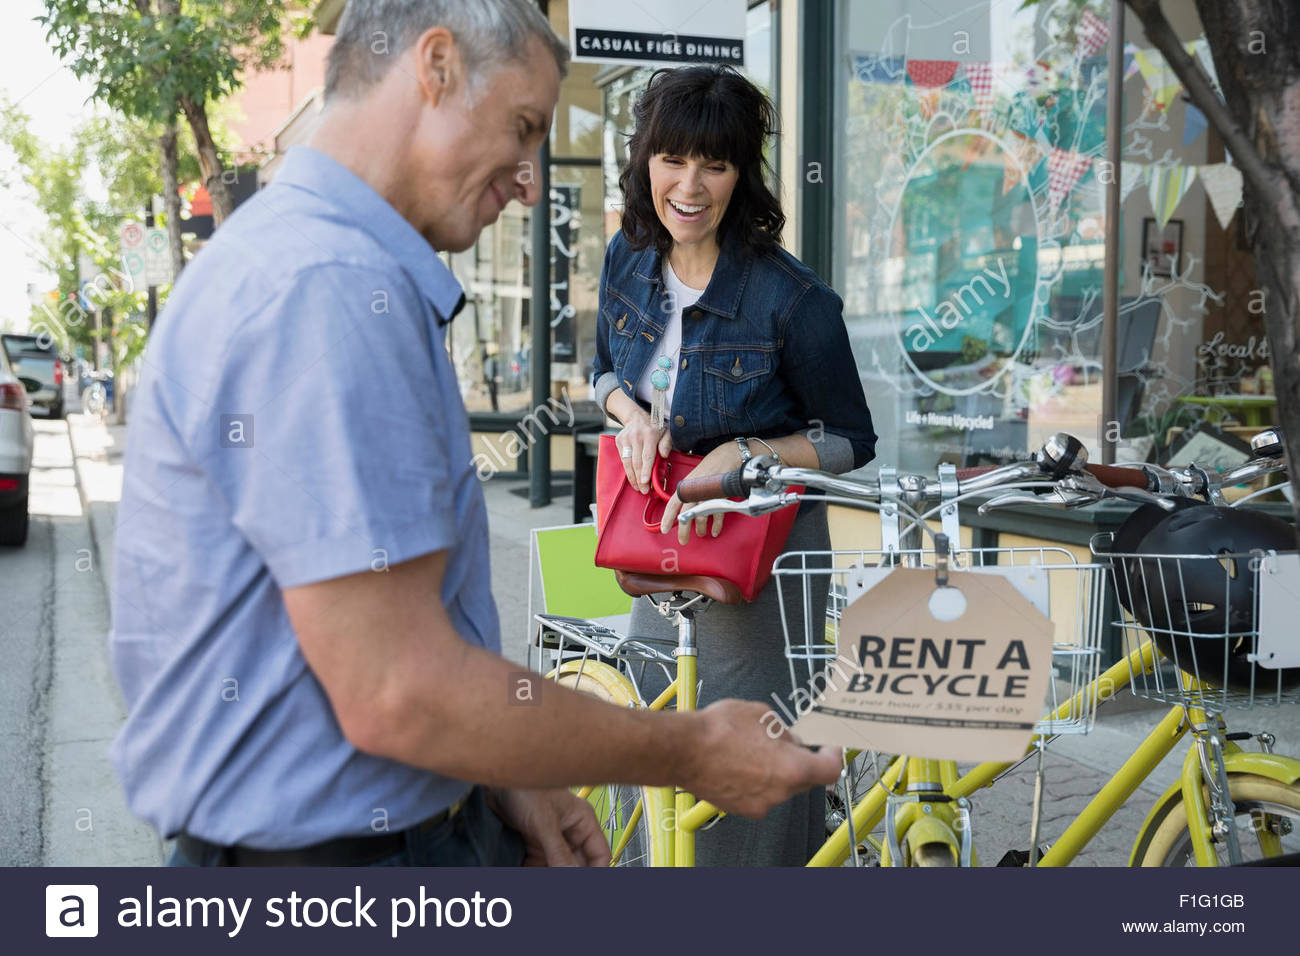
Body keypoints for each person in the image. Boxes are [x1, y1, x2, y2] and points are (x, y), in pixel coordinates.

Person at [108, 0, 840, 868]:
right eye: (524, 128)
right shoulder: (328, 290)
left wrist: (506, 772)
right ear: (437, 67)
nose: (531, 177)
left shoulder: (313, 264)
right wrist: (687, 752)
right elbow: (402, 690)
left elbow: (390, 649)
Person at [591, 66, 877, 866]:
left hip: (761, 562)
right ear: (645, 160)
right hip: (656, 544)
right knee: (659, 737)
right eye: (672, 159)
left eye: (714, 164)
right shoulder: (627, 256)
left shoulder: (792, 300)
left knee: (749, 759)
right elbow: (601, 373)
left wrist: (747, 453)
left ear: (742, 174)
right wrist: (630, 414)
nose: (689, 185)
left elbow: (851, 439)